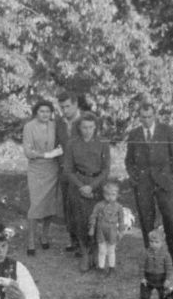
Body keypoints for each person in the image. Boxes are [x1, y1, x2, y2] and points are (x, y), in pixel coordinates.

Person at [125, 101, 173, 270]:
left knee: (171, 218)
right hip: (143, 183)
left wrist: (172, 178)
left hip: (163, 182)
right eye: (143, 117)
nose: (147, 120)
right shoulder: (134, 134)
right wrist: (134, 178)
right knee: (146, 219)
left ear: (155, 116)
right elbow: (129, 160)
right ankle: (152, 257)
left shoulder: (167, 131)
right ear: (139, 117)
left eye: (149, 116)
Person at [62, 112, 110, 272]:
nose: (87, 130)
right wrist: (81, 186)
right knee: (80, 221)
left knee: (97, 220)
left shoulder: (103, 143)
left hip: (97, 185)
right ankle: (84, 253)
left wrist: (92, 186)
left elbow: (106, 169)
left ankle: (96, 252)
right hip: (78, 184)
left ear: (95, 127)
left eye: (91, 127)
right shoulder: (72, 144)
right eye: (84, 127)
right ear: (79, 128)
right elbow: (68, 169)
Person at [22, 100, 63, 255]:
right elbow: (28, 152)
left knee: (49, 204)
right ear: (36, 113)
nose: (45, 114)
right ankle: (31, 240)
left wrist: (58, 151)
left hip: (52, 169)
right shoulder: (29, 127)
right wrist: (46, 155)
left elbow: (62, 143)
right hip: (36, 169)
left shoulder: (54, 125)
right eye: (42, 111)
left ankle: (44, 236)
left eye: (48, 111)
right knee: (36, 204)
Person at [55, 92, 83, 254]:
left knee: (81, 207)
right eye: (62, 107)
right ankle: (73, 240)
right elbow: (57, 145)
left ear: (75, 104)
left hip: (83, 172)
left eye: (67, 106)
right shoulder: (59, 123)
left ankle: (84, 243)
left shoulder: (86, 120)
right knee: (68, 207)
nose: (65, 110)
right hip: (65, 171)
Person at [88, 180, 126, 274]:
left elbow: (121, 220)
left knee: (111, 250)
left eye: (113, 194)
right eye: (107, 194)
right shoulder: (99, 205)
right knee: (102, 250)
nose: (110, 197)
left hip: (112, 230)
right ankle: (101, 267)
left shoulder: (119, 207)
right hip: (101, 230)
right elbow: (93, 216)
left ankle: (111, 267)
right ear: (104, 194)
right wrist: (92, 227)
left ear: (117, 195)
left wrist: (121, 231)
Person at [139, 228, 171, 299]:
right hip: (148, 277)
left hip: (161, 278)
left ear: (162, 242)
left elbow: (168, 267)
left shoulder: (165, 254)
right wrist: (142, 277)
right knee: (144, 294)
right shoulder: (146, 253)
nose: (153, 244)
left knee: (163, 295)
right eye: (151, 242)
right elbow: (141, 266)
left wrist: (167, 279)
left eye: (157, 242)